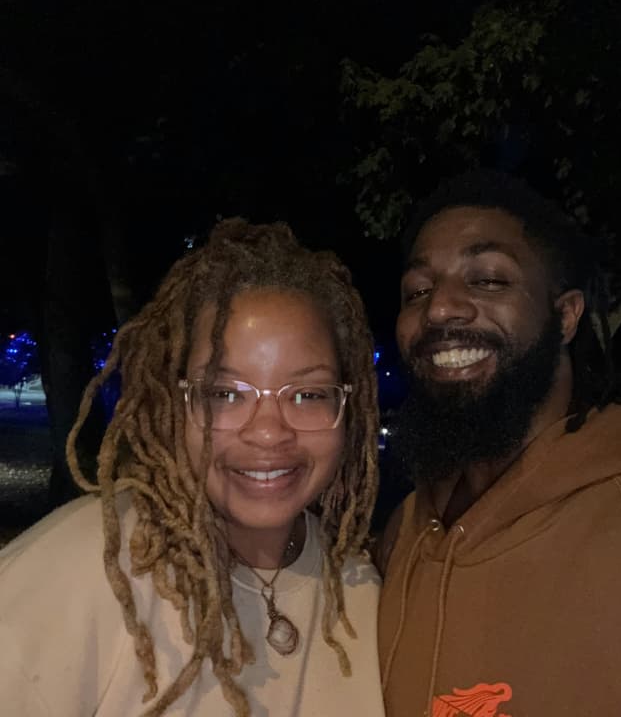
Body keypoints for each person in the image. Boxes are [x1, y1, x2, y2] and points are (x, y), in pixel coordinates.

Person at [0, 219, 385, 717]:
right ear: (172, 403)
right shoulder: (78, 573)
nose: (269, 432)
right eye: (225, 393)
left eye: (308, 394)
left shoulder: (363, 590)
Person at [377, 170, 621, 717]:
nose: (439, 308)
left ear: (565, 316)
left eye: (489, 280)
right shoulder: (406, 533)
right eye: (417, 291)